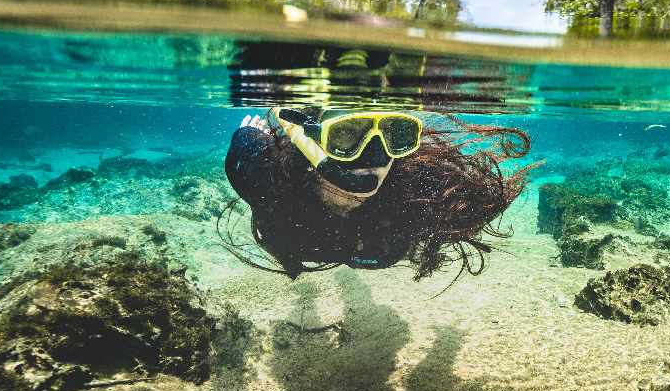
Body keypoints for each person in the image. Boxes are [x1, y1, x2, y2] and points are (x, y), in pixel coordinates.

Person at [220, 105, 533, 280]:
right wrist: (248, 136)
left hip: (373, 247)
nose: (375, 160)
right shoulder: (261, 173)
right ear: (306, 143)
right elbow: (244, 150)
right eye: (345, 136)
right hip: (302, 241)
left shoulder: (412, 186)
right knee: (290, 254)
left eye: (395, 135)